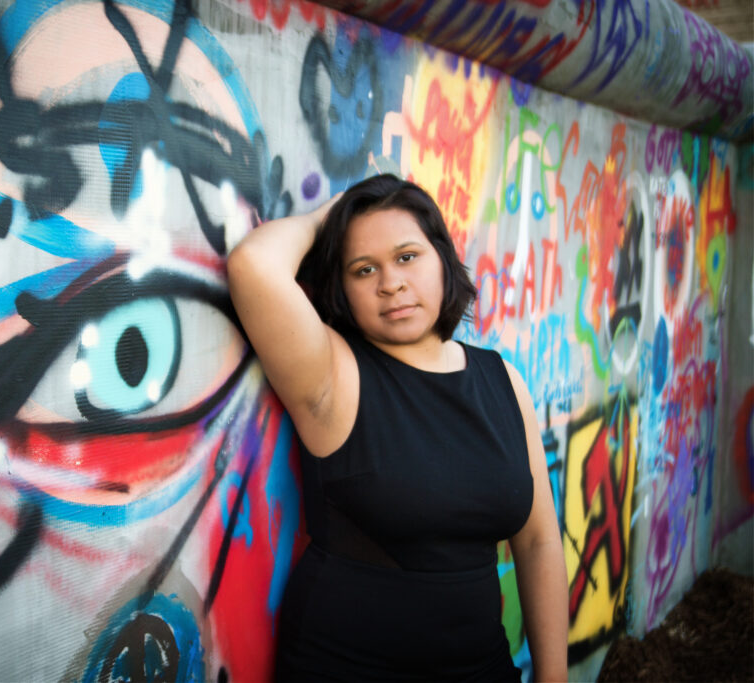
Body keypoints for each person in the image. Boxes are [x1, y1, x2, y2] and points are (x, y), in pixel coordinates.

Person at [226, 174, 568, 681]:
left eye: (407, 257)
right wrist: (329, 216)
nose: (390, 283)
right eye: (364, 269)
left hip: (482, 667)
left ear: (443, 260)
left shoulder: (503, 382)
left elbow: (539, 541)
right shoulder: (334, 374)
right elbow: (253, 264)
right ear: (342, 289)